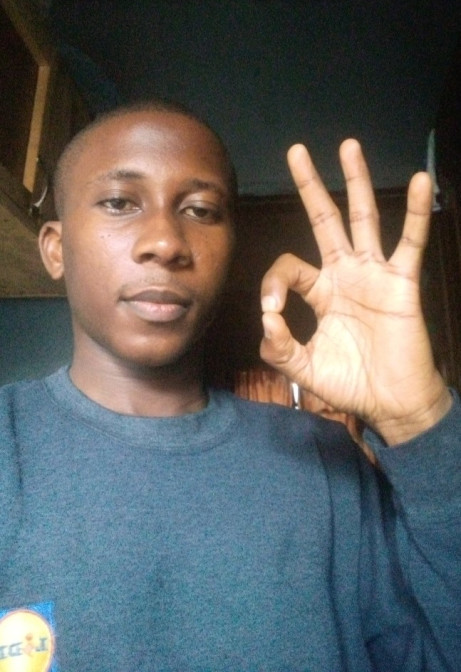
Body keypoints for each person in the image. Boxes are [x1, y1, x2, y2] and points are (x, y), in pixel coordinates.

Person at [0, 100, 459, 672]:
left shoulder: (322, 459)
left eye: (200, 210)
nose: (166, 242)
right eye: (120, 203)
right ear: (55, 248)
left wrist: (421, 419)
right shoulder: (8, 448)